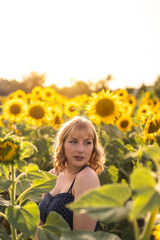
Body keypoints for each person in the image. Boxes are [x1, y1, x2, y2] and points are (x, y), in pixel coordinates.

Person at [35, 116, 105, 239]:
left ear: (93, 147)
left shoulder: (86, 177)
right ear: (63, 144)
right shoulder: (52, 174)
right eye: (74, 142)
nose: (80, 150)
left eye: (87, 143)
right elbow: (39, 229)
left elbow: (80, 237)